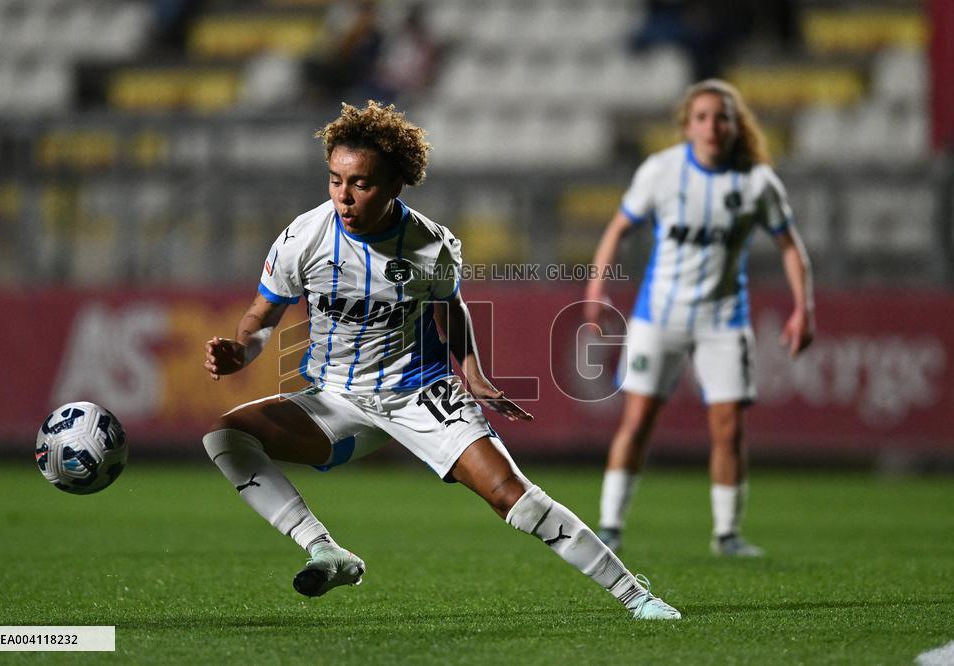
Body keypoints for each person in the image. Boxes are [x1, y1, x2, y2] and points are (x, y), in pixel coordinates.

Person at [202, 101, 681, 620]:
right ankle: (326, 550)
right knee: (225, 437)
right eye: (335, 179)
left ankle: (637, 596)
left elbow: (450, 311)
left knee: (511, 497)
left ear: (395, 185)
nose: (344, 195)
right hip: (335, 398)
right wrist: (241, 352)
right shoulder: (304, 237)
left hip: (418, 394)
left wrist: (471, 371)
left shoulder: (429, 247)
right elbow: (261, 316)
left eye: (361, 183)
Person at [584, 79, 814, 557]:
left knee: (729, 426)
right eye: (703, 117)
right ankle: (609, 526)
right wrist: (596, 286)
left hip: (723, 321)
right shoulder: (661, 172)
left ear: (736, 124)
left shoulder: (756, 181)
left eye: (722, 116)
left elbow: (790, 246)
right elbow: (618, 229)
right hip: (658, 318)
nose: (713, 126)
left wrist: (803, 307)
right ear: (687, 126)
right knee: (638, 420)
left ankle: (727, 534)